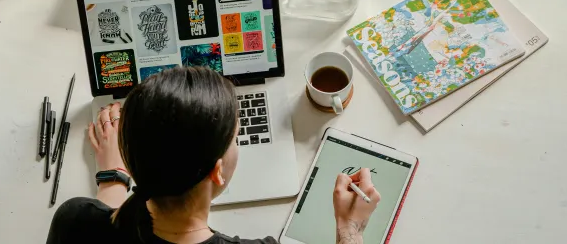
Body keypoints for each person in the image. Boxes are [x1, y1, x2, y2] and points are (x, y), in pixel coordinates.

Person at [46, 66, 382, 244]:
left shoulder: (74, 222)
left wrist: (112, 175)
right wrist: (349, 228)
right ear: (217, 172)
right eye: (235, 137)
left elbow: (106, 223)